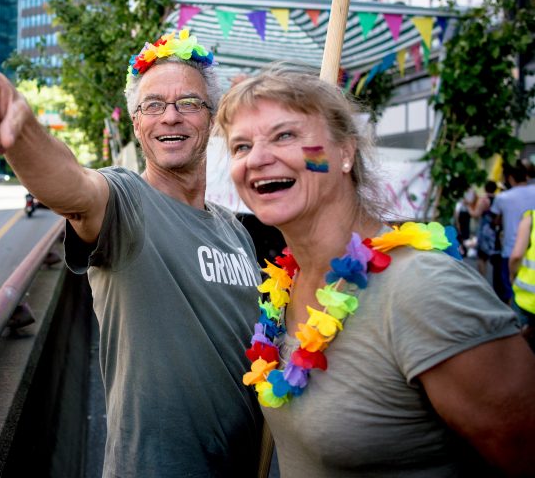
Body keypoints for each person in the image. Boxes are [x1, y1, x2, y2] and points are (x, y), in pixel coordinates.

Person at [0, 29, 265, 476]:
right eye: (153, 105)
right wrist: (17, 129)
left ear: (210, 119)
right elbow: (72, 185)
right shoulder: (126, 202)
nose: (170, 117)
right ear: (137, 122)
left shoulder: (236, 231)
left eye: (188, 103)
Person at [215, 66, 535, 477]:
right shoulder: (287, 285)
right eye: (241, 147)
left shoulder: (422, 288)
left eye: (285, 135)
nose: (256, 158)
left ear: (345, 152)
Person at [492, 161, 535, 303]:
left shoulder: (503, 198)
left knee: (511, 295)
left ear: (509, 177)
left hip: (511, 250)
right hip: (532, 252)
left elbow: (495, 221)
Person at [510, 209, 535, 344]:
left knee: (517, 341)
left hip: (527, 298)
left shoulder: (531, 218)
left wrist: (512, 274)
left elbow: (516, 256)